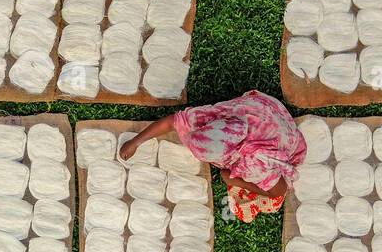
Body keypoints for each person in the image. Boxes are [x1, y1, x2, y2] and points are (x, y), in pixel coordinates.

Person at [117, 89, 307, 223]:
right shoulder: (220, 114)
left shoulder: (255, 162)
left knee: (269, 199)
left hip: (286, 142)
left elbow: (279, 191)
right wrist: (136, 142)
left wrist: (234, 180)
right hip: (264, 111)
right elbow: (173, 121)